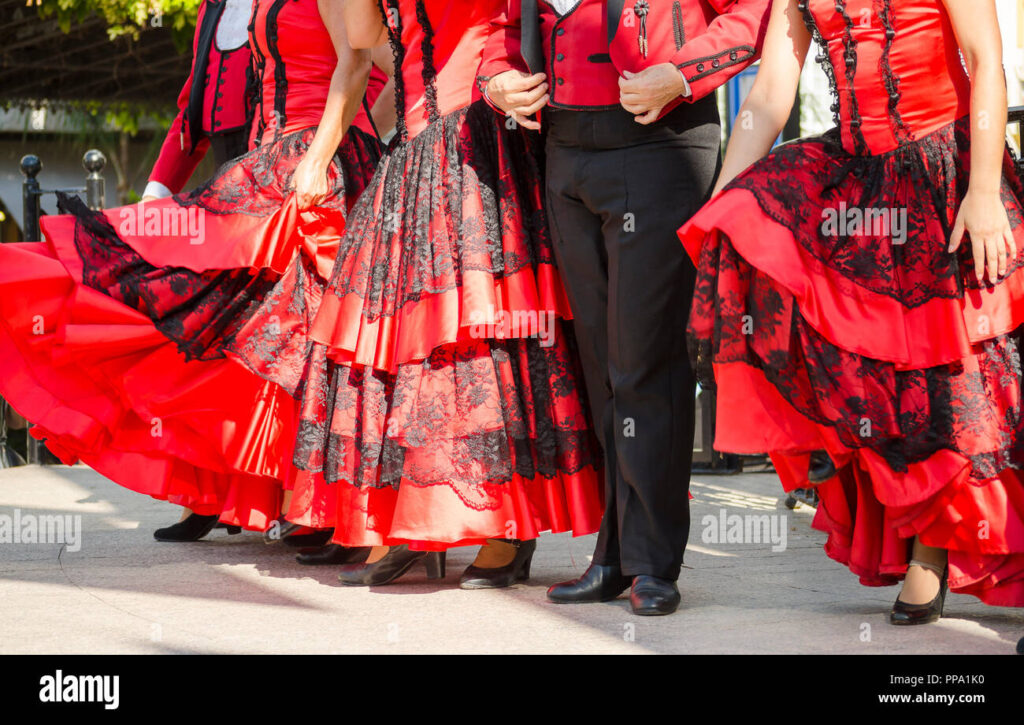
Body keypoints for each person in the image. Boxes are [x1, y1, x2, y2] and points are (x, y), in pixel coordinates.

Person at [679, 0, 1024, 621]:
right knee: (876, 379)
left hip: (944, 174)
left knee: (954, 377)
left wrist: (982, 191)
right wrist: (719, 204)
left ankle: (934, 548)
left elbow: (986, 62)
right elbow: (766, 100)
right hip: (859, 184)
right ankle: (921, 537)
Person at [0, 0, 389, 543]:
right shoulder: (225, 9)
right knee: (234, 336)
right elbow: (195, 102)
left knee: (297, 340)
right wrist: (161, 190)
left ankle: (315, 505)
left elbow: (373, 64)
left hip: (308, 167)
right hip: (262, 163)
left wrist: (342, 151)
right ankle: (239, 495)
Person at [275, 0, 606, 588]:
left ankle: (505, 529)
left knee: (480, 340)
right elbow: (361, 35)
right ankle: (420, 525)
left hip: (478, 136)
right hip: (416, 148)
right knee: (403, 347)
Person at [478, 0, 771, 614]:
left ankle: (652, 561)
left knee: (643, 359)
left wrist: (685, 74)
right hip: (564, 152)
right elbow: (501, 28)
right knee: (600, 364)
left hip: (659, 145)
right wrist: (497, 79)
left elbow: (753, 12)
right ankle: (611, 555)